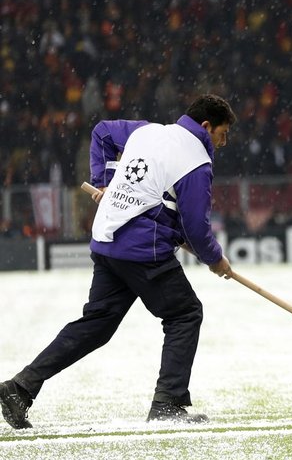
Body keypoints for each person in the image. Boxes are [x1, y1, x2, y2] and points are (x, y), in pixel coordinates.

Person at [0, 95, 236, 429]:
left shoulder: (147, 131)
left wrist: (104, 180)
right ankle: (167, 405)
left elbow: (102, 133)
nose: (224, 143)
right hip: (142, 248)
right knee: (185, 313)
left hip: (108, 240)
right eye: (223, 134)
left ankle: (20, 388)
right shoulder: (196, 161)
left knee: (97, 324)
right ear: (206, 126)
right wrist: (214, 259)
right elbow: (197, 226)